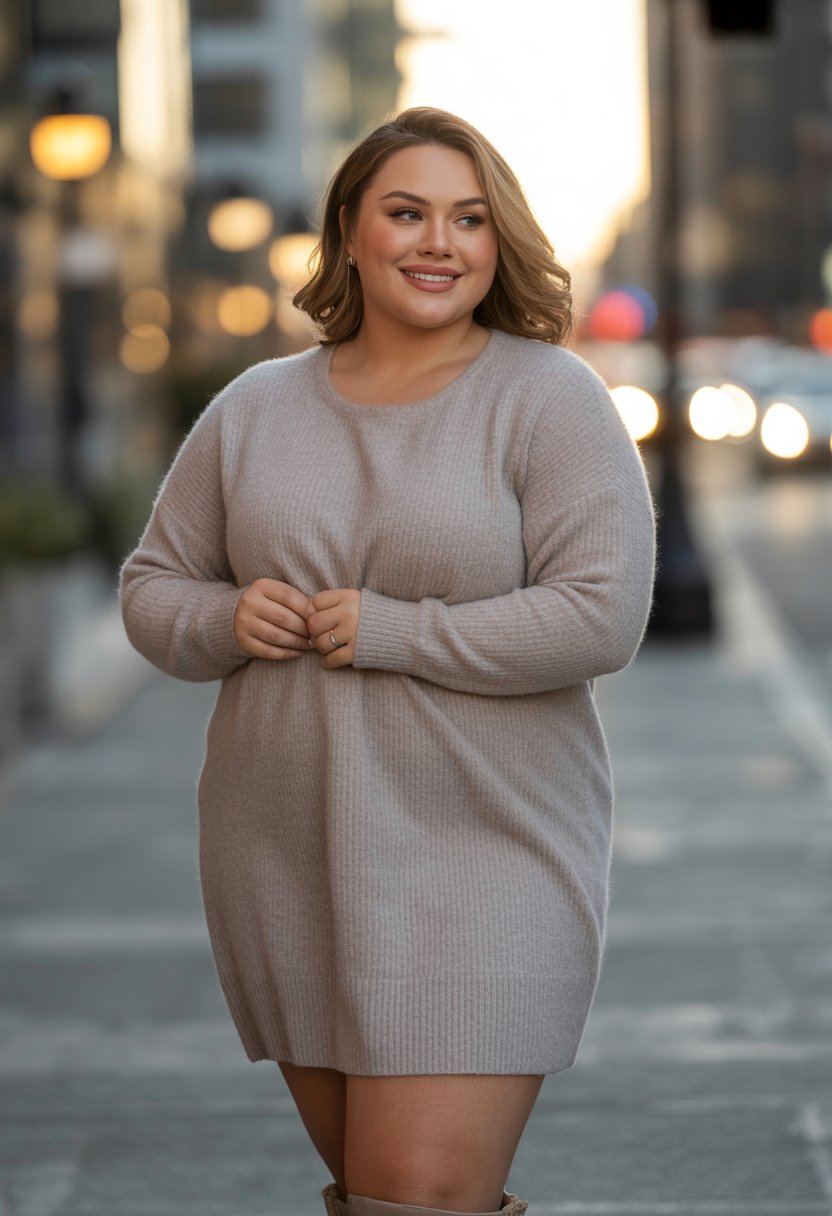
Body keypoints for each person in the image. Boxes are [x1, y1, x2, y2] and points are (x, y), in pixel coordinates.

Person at [121, 106, 655, 1216]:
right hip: (290, 858)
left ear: (497, 242)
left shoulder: (547, 398)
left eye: (468, 219)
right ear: (350, 232)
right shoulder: (253, 408)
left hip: (486, 851)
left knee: (415, 1188)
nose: (438, 242)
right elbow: (151, 589)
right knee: (374, 1190)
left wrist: (394, 630)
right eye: (406, 212)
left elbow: (599, 616)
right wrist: (226, 620)